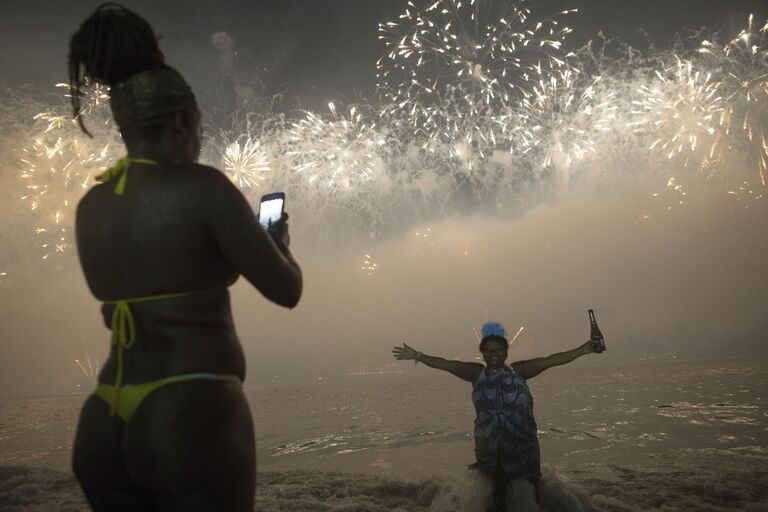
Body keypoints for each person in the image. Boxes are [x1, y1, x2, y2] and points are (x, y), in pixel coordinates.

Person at [68, 4, 302, 510]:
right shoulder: (203, 188)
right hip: (188, 410)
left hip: (104, 417)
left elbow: (164, 277)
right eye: (199, 127)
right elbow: (286, 291)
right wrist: (277, 245)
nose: (200, 140)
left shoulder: (93, 206)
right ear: (180, 122)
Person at [392, 321, 599, 512]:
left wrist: (584, 349)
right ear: (482, 353)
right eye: (489, 350)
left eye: (498, 350)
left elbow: (552, 360)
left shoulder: (520, 371)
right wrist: (417, 355)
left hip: (523, 446)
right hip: (489, 448)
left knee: (529, 491)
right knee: (495, 497)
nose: (494, 354)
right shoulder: (475, 373)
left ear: (506, 352)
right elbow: (445, 364)